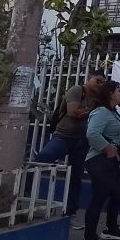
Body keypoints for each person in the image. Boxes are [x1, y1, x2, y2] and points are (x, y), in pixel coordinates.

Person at [34, 73, 106, 227]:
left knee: (75, 177)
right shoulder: (77, 90)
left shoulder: (99, 98)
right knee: (41, 160)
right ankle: (26, 196)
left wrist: (86, 111)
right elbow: (72, 113)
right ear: (89, 79)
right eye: (98, 80)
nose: (100, 84)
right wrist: (91, 111)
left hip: (82, 141)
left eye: (103, 82)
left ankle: (70, 212)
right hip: (64, 136)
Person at [80, 79, 120, 240]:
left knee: (118, 193)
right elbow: (92, 133)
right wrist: (108, 148)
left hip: (110, 160)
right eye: (118, 91)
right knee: (99, 197)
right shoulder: (101, 112)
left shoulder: (113, 112)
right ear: (110, 93)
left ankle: (111, 229)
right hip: (98, 159)